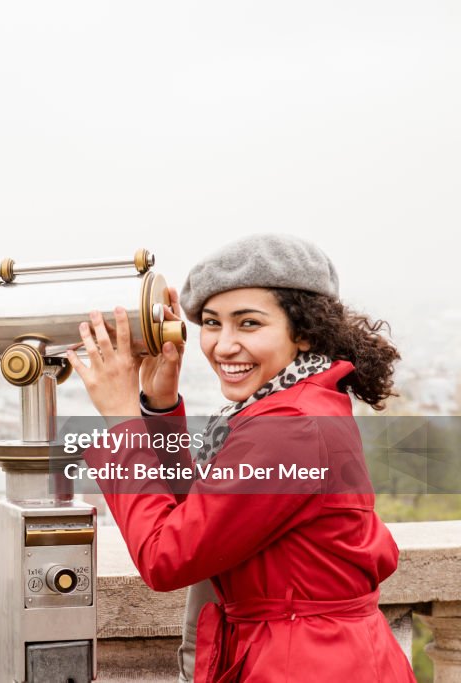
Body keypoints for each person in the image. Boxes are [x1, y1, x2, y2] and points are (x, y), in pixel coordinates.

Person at [66, 234, 415, 682]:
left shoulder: (289, 426)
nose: (223, 346)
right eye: (212, 324)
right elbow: (204, 517)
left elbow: (166, 556)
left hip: (305, 664)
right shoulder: (296, 405)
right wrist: (158, 406)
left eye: (248, 324)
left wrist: (121, 421)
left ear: (305, 332)